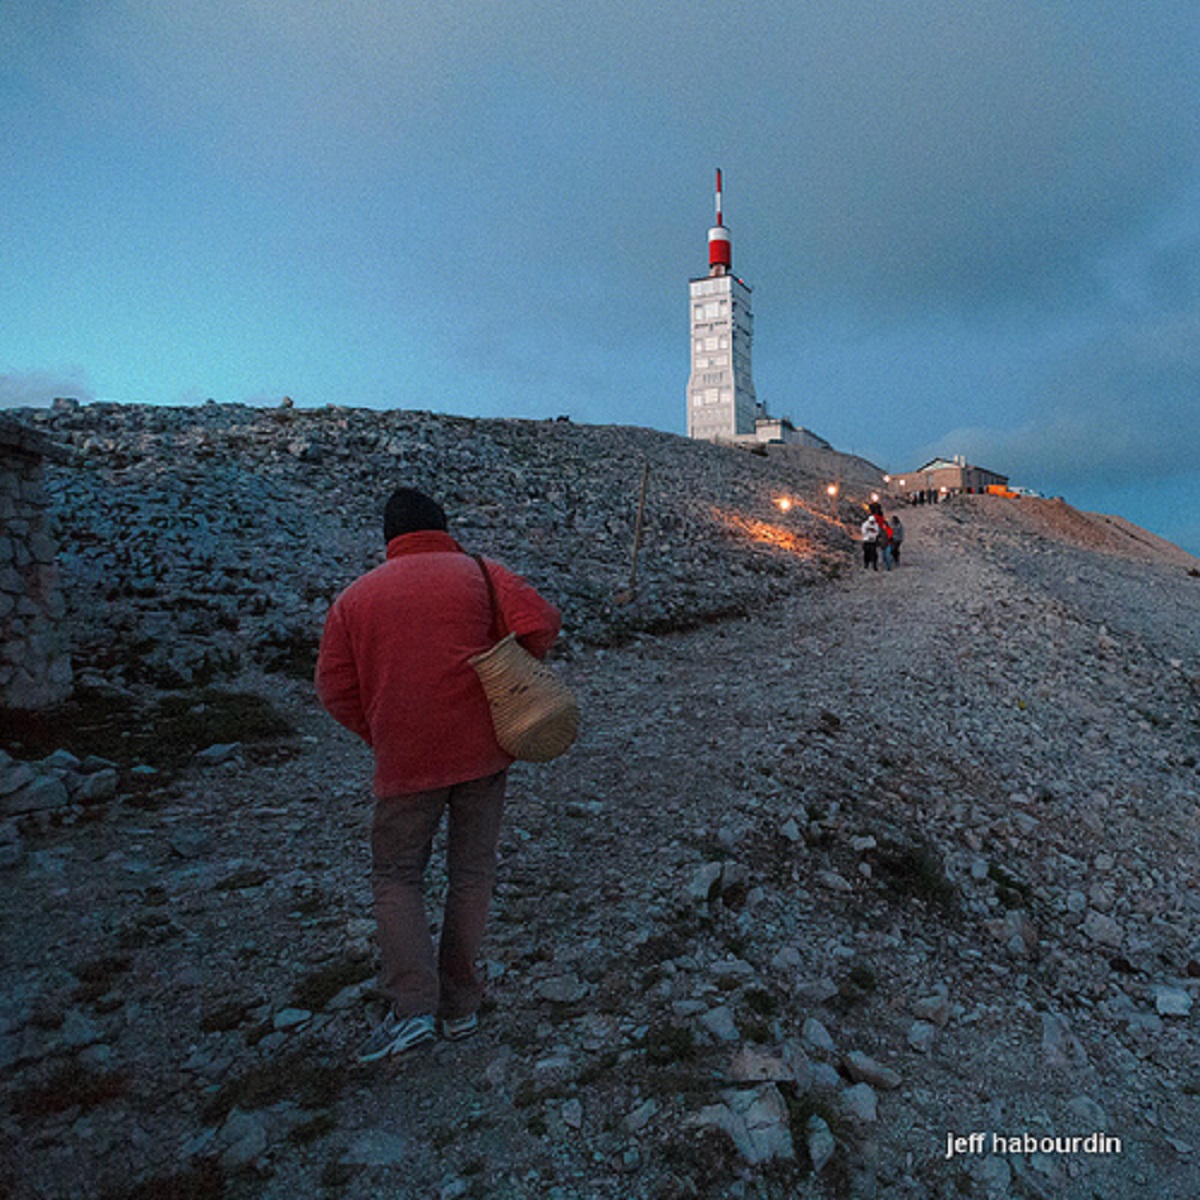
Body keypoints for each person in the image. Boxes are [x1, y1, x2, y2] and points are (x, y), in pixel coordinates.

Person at [316, 487, 562, 1063]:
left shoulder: (353, 599)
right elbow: (543, 623)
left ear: (389, 539)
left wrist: (379, 731)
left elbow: (332, 688)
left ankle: (411, 1009)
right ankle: (461, 1006)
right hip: (484, 750)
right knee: (471, 873)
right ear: (442, 527)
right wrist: (511, 673)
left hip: (405, 761)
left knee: (398, 876)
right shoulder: (480, 571)